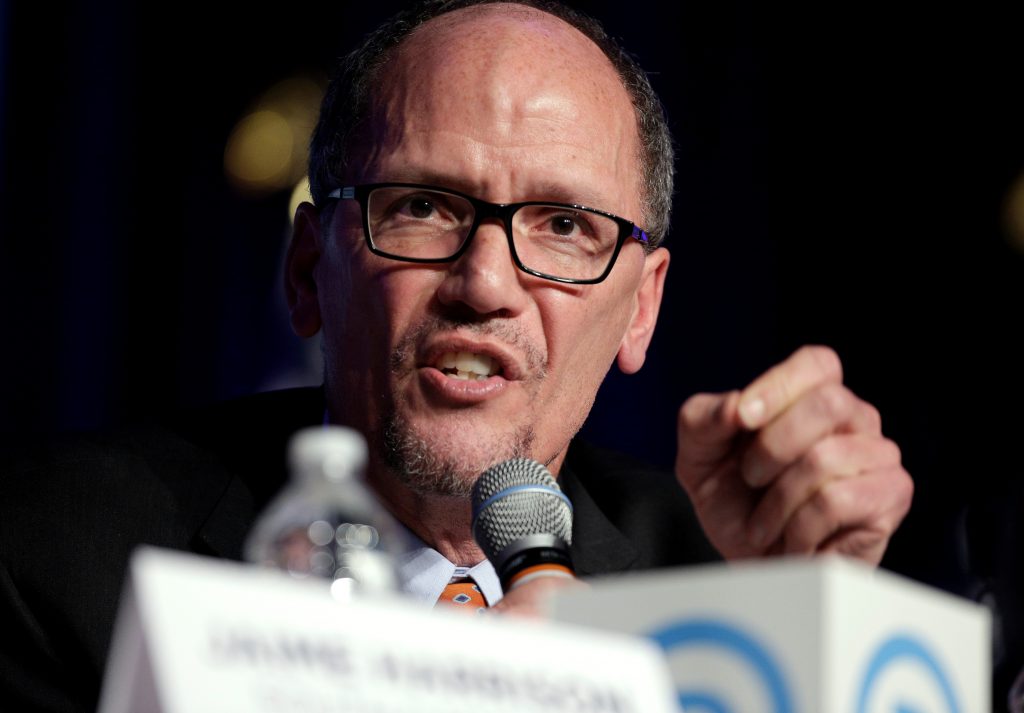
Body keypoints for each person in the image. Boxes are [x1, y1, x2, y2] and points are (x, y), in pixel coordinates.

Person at [0, 0, 912, 710]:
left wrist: (824, 624)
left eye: (564, 226)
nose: (484, 283)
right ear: (310, 271)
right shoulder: (64, 553)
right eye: (423, 206)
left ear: (641, 309)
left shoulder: (725, 587)